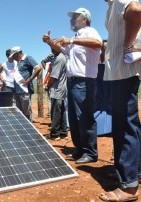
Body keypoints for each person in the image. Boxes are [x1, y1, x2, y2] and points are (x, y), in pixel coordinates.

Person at [99, 0, 141, 201]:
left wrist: (126, 45)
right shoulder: (113, 5)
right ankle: (134, 173)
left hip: (123, 70)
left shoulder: (119, 0)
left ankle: (128, 187)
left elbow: (135, 9)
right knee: (130, 123)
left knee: (123, 124)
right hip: (126, 70)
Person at [43, 8, 102, 164]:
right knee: (74, 119)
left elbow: (98, 44)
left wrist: (71, 40)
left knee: (84, 117)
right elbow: (62, 49)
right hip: (73, 82)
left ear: (84, 19)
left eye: (74, 17)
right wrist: (50, 42)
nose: (71, 20)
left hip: (84, 81)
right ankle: (80, 150)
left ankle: (90, 152)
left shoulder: (90, 31)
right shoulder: (77, 36)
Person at [41, 49, 68, 140]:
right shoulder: (53, 56)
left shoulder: (59, 58)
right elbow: (43, 61)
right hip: (60, 87)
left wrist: (48, 86)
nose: (51, 49)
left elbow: (53, 76)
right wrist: (47, 70)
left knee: (55, 110)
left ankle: (55, 134)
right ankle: (63, 132)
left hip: (57, 87)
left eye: (53, 46)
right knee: (61, 109)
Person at [9, 46, 42, 120]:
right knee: (19, 112)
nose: (13, 58)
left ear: (18, 53)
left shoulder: (28, 58)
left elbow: (38, 67)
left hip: (25, 90)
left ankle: (29, 128)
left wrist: (30, 79)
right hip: (17, 91)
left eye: (14, 55)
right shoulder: (18, 62)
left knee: (26, 112)